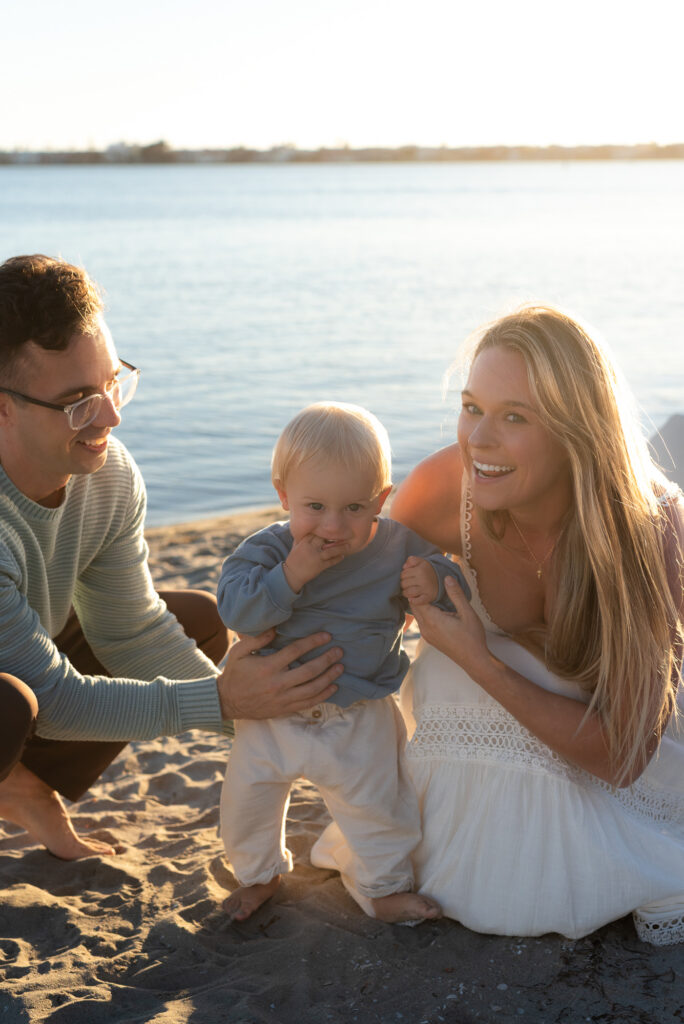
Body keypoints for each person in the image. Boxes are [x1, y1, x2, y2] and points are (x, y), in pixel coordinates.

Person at [312, 305, 684, 945]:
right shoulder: (441, 489)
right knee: (442, 681)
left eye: (514, 417)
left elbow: (622, 757)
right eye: (472, 406)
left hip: (621, 732)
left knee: (462, 671)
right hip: (485, 726)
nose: (477, 438)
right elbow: (347, 598)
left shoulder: (650, 530)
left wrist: (477, 656)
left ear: (577, 431)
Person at [0, 255, 344, 863]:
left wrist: (267, 718)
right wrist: (226, 701)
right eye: (80, 401)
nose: (111, 416)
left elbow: (128, 632)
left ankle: (19, 783)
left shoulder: (107, 477)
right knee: (9, 704)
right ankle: (17, 786)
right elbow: (53, 700)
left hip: (23, 665)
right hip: (16, 696)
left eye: (112, 382)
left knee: (198, 620)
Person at [216, 402, 470, 923]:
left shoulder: (400, 548)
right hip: (273, 714)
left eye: (355, 508)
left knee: (380, 810)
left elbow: (454, 582)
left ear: (381, 498)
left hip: (359, 713)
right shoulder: (266, 551)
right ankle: (258, 875)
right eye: (314, 507)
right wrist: (292, 573)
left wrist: (435, 579)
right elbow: (236, 609)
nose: (333, 526)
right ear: (284, 495)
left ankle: (382, 888)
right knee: (246, 806)